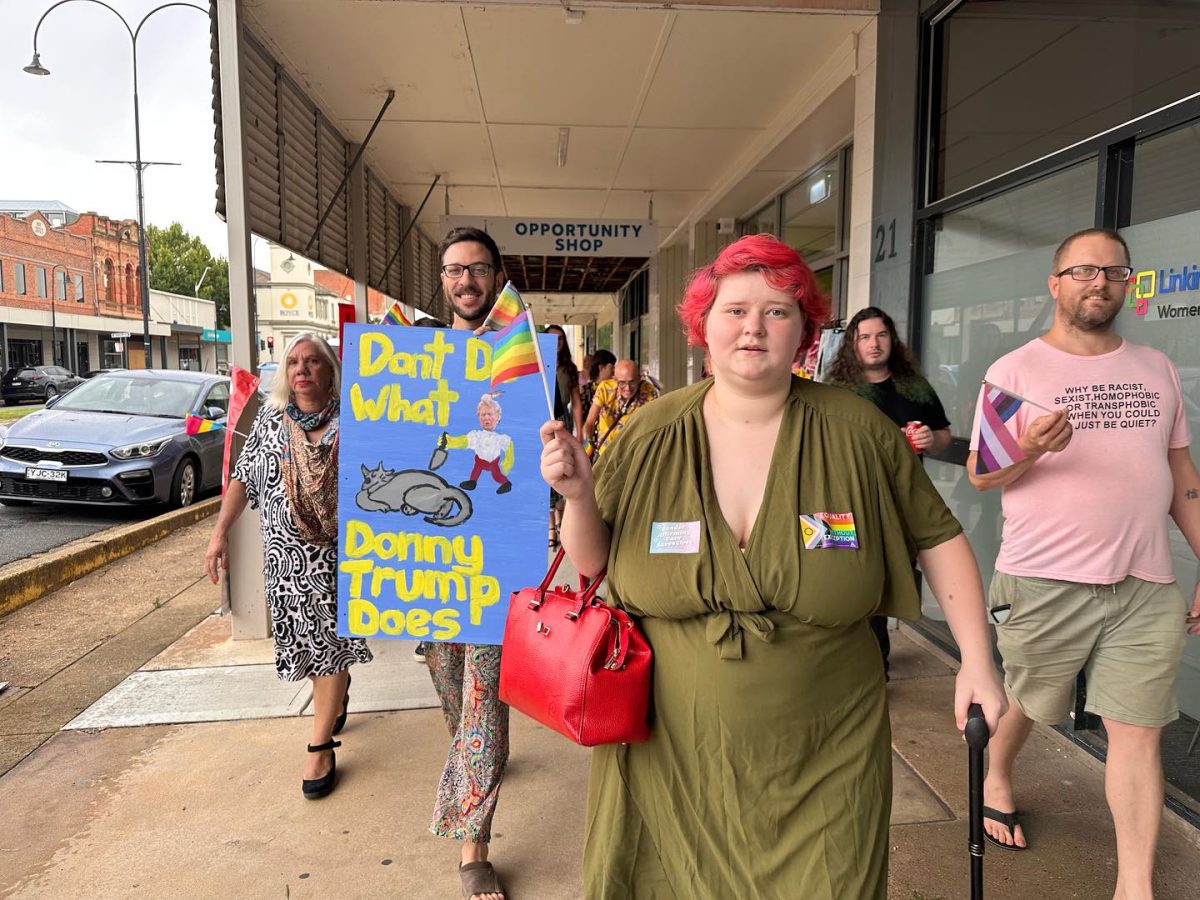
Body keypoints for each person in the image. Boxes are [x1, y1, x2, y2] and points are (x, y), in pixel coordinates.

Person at [540, 234, 1006, 898]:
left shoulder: (859, 432)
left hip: (828, 750)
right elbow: (592, 563)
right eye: (734, 310)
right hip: (668, 752)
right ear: (702, 327)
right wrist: (578, 496)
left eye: (777, 311)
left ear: (805, 333)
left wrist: (978, 662)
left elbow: (939, 538)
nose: (753, 326)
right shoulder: (648, 433)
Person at [968, 228, 1200, 898]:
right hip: (1043, 578)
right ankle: (997, 775)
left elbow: (1181, 471)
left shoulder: (1155, 368)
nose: (1099, 282)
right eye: (1084, 271)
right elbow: (984, 475)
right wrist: (1031, 450)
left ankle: (1134, 886)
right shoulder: (1015, 370)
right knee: (1028, 701)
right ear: (1056, 282)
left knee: (1139, 734)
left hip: (1145, 583)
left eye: (1114, 272)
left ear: (1128, 284)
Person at [204, 333, 371, 800]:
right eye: (294, 362)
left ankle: (320, 745)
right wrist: (219, 534)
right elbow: (244, 477)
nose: (302, 369)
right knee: (308, 642)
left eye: (313, 361)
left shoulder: (356, 419)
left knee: (332, 642)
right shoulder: (271, 423)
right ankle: (333, 697)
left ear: (331, 370)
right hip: (287, 557)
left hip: (343, 554)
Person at [422, 226, 510, 900]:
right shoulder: (412, 355)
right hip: (423, 558)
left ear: (497, 276)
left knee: (484, 700)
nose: (466, 281)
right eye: (455, 270)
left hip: (497, 558)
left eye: (477, 268)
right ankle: (474, 755)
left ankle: (473, 848)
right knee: (454, 694)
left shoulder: (526, 357)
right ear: (443, 279)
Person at [827, 305, 953, 676]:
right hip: (846, 502)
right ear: (852, 343)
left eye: (881, 335)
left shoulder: (914, 385)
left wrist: (932, 439)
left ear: (891, 341)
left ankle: (873, 665)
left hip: (902, 505)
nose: (874, 344)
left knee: (885, 581)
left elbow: (944, 435)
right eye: (864, 337)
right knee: (847, 578)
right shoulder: (837, 391)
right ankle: (849, 660)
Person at [582, 358, 659, 460]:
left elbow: (654, 425)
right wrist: (587, 449)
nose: (627, 388)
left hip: (634, 454)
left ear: (639, 378)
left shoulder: (648, 391)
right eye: (622, 383)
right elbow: (589, 423)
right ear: (615, 379)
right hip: (606, 453)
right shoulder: (605, 388)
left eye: (632, 382)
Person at [546, 324, 583, 436]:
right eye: (553, 338)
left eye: (560, 338)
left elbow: (576, 402)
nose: (557, 341)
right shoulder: (536, 366)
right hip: (541, 416)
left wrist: (580, 433)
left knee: (562, 452)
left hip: (562, 418)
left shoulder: (569, 368)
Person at [579, 348, 616, 420]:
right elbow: (582, 417)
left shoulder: (615, 389)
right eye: (612, 367)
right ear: (601, 367)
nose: (614, 371)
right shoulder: (586, 391)